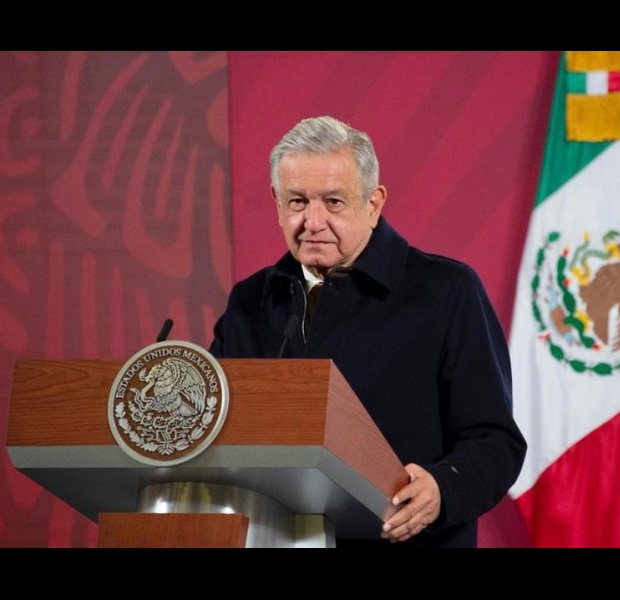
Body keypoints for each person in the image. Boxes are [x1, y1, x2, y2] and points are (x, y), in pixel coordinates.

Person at [209, 116, 526, 548]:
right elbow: (214, 429)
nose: (313, 221)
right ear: (277, 204)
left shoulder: (446, 291)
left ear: (373, 203)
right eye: (297, 202)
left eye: (333, 202)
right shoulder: (250, 302)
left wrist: (441, 488)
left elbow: (495, 442)